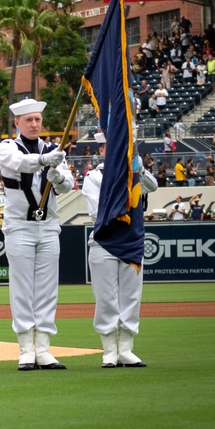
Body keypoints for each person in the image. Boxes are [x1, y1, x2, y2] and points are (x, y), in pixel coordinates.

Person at [0, 98, 75, 371]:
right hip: (19, 226)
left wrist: (59, 178)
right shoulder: (7, 147)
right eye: (28, 120)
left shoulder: (53, 149)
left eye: (37, 120)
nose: (34, 124)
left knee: (46, 289)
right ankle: (25, 348)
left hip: (49, 226)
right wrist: (45, 160)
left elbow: (68, 186)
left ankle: (43, 347)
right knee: (21, 288)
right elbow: (19, 163)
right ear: (17, 123)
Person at [82, 132, 157, 367]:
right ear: (102, 151)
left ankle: (125, 348)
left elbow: (152, 186)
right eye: (108, 147)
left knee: (131, 297)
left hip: (131, 239)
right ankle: (109, 350)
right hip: (105, 241)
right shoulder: (94, 177)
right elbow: (98, 212)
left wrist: (139, 170)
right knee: (106, 298)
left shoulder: (135, 174)